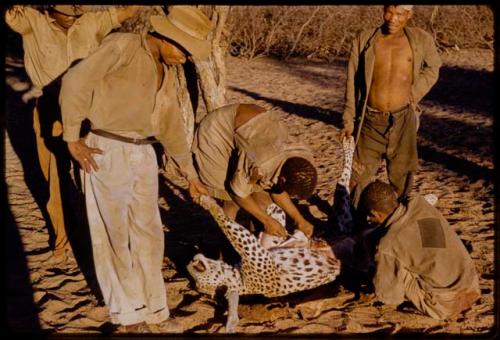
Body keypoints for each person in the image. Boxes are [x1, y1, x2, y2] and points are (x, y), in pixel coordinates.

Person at [58, 6, 210, 331]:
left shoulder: (166, 72)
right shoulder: (124, 45)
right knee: (112, 235)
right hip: (106, 148)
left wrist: (191, 175)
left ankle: (155, 310)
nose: (185, 59)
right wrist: (72, 138)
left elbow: (171, 127)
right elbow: (75, 81)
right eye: (184, 51)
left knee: (150, 235)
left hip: (144, 154)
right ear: (169, 37)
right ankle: (127, 315)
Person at [5, 4, 142, 263]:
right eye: (64, 11)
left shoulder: (92, 21)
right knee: (55, 179)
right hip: (50, 109)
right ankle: (61, 241)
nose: (70, 17)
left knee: (94, 173)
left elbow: (126, 12)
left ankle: (102, 241)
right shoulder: (31, 20)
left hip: (89, 110)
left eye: (75, 12)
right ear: (49, 9)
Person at [340, 5, 442, 206]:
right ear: (383, 10)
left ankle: (397, 223)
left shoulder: (420, 39)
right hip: (369, 121)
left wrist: (414, 93)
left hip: (403, 120)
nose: (392, 19)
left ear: (409, 15)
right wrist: (348, 119)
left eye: (399, 14)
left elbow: (433, 67)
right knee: (359, 179)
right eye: (389, 12)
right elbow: (352, 81)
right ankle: (359, 224)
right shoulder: (364, 40)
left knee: (402, 178)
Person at [357, 180, 480, 319]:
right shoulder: (420, 204)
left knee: (392, 263)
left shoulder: (388, 244)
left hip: (447, 305)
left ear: (375, 213)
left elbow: (390, 296)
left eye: (370, 216)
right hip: (471, 285)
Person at [192, 103, 317, 238]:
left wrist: (299, 219)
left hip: (253, 129)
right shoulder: (261, 163)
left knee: (261, 196)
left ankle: (255, 232)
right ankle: (226, 243)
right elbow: (237, 193)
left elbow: (275, 188)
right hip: (216, 133)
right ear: (283, 178)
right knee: (229, 197)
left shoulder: (302, 157)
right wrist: (267, 220)